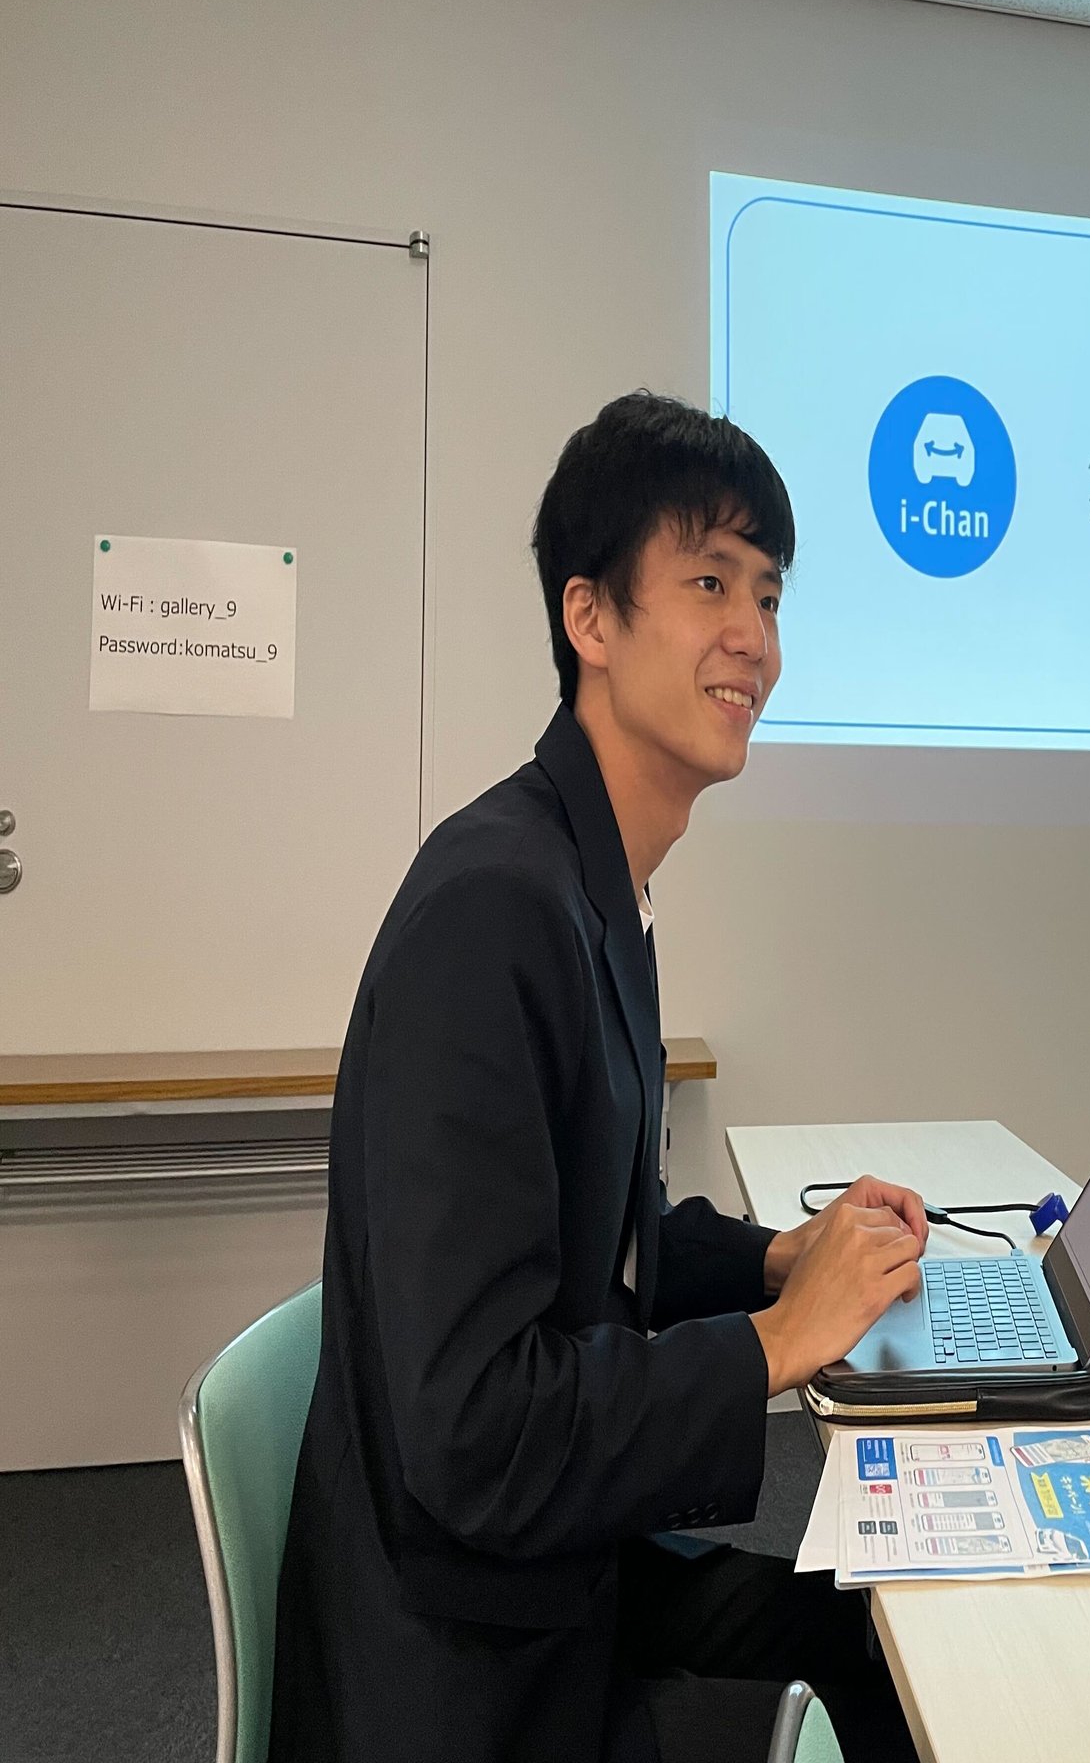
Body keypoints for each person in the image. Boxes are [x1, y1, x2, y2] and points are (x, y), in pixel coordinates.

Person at [270, 393, 927, 1763]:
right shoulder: (495, 909)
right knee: (882, 1707)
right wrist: (776, 1341)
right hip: (470, 1673)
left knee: (894, 1646)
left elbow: (594, 1248)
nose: (754, 636)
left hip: (553, 1579)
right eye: (709, 583)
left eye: (769, 594)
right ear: (591, 618)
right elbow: (477, 1429)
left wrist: (780, 1258)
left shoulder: (588, 879)